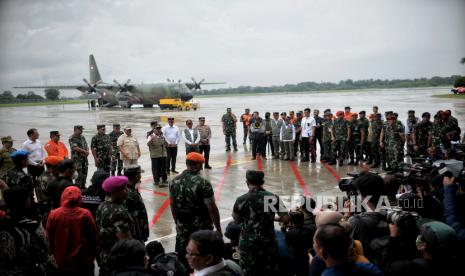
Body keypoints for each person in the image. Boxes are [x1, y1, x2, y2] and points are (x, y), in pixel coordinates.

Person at [169, 152, 222, 269]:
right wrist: (218, 229)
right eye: (201, 164)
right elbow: (212, 208)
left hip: (182, 226)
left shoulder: (174, 181)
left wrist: (177, 222)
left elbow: (172, 205)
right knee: (203, 258)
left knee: (183, 257)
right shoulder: (203, 183)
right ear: (198, 165)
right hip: (201, 227)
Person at [232, 170, 290, 276]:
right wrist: (269, 217)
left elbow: (237, 220)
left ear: (247, 182)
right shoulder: (271, 198)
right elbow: (286, 219)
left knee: (248, 271)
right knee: (268, 271)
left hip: (247, 242)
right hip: (267, 241)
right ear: (262, 182)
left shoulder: (241, 199)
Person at [0, 187, 56, 275]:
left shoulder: (2, 224)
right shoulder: (34, 226)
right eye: (29, 199)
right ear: (26, 203)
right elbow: (46, 250)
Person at [46, 186, 97, 275]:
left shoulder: (54, 214)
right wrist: (92, 256)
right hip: (82, 262)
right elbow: (93, 237)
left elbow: (49, 237)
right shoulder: (86, 214)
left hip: (61, 260)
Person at [381, 220, 459, 275]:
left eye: (421, 235)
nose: (418, 236)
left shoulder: (410, 267)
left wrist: (393, 238)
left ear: (422, 246)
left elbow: (386, 265)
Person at [96, 176, 135, 276]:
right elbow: (125, 240)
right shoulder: (118, 212)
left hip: (105, 255)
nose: (127, 190)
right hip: (119, 259)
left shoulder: (102, 205)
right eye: (124, 188)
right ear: (115, 192)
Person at [313, 223, 383, 275]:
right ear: (349, 244)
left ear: (322, 253)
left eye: (315, 244)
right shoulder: (371, 268)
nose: (313, 245)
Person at [124, 165, 149, 242]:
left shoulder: (129, 189)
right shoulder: (131, 194)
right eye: (139, 174)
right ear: (136, 176)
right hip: (136, 231)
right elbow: (135, 217)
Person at [285, 211, 313, 276]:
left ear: (291, 221)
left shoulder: (290, 233)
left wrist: (284, 229)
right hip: (308, 254)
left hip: (297, 257)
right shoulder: (310, 229)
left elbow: (287, 245)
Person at [36, 156, 63, 224]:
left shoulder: (55, 176)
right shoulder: (44, 179)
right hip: (48, 209)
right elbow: (43, 197)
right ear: (54, 166)